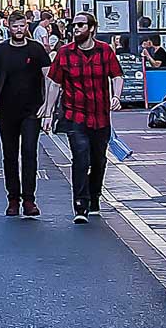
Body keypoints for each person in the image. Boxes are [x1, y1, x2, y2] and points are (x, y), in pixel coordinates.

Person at [49, 11, 123, 224]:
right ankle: (80, 205)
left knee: (98, 160)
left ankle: (94, 197)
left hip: (100, 115)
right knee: (80, 158)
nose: (76, 29)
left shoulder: (104, 51)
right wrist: (47, 112)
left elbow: (117, 75)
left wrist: (116, 96)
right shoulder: (65, 53)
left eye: (81, 25)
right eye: (74, 25)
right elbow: (54, 83)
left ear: (91, 28)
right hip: (75, 114)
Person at [0, 11, 52, 218]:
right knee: (9, 155)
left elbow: (49, 77)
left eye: (22, 26)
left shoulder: (36, 49)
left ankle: (29, 199)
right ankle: (13, 198)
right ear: (9, 27)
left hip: (32, 109)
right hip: (6, 109)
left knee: (30, 153)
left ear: (26, 26)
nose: (19, 30)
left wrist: (47, 105)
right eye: (15, 27)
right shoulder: (0, 50)